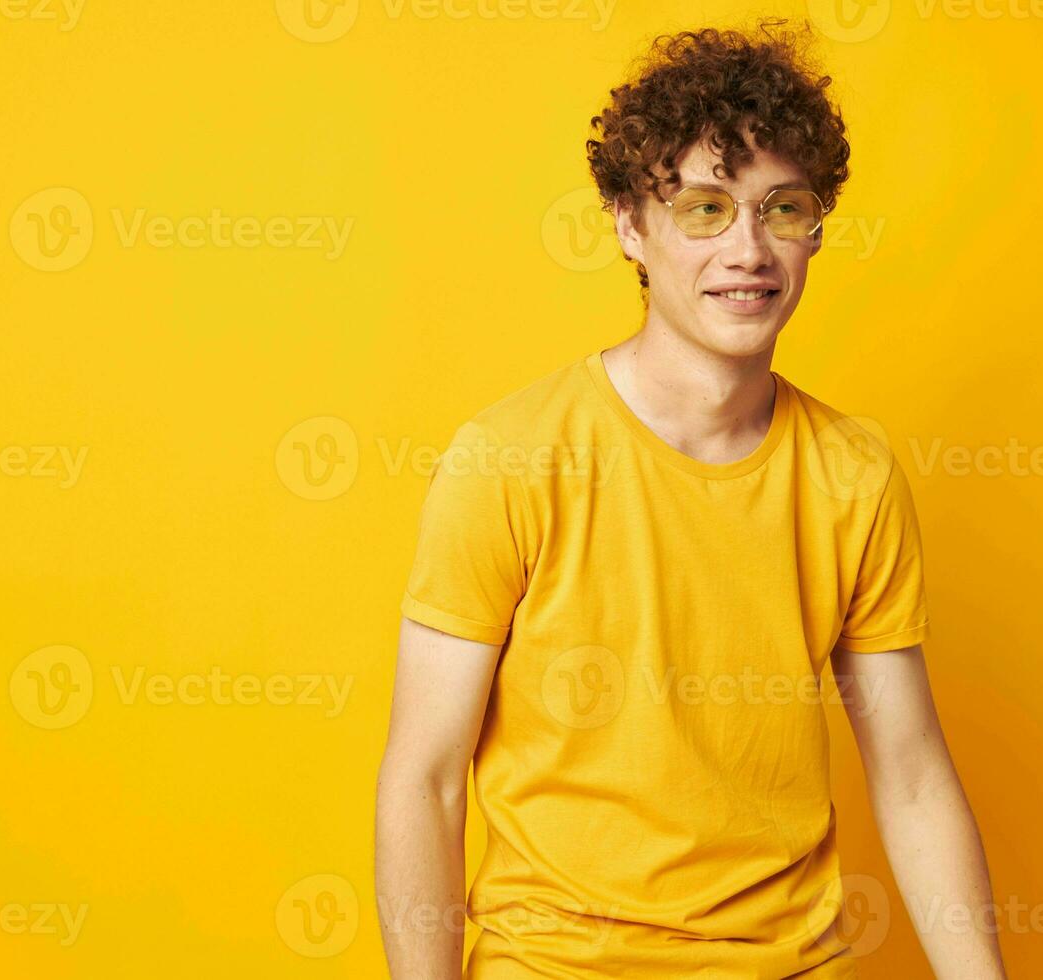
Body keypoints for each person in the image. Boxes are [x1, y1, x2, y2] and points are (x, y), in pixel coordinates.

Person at [376, 19, 1007, 979]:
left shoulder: (853, 475)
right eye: (706, 209)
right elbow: (425, 780)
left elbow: (913, 776)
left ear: (817, 227)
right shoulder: (509, 458)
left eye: (780, 208)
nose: (748, 249)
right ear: (632, 225)